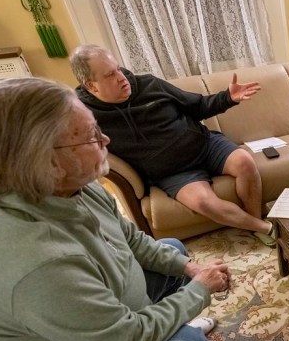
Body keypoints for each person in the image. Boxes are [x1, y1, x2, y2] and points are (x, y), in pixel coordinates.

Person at [0, 78, 269, 341]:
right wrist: (199, 290)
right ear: (48, 161)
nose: (106, 140)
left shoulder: (64, 185)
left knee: (172, 251)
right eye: (92, 136)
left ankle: (176, 324)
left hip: (82, 310)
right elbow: (130, 337)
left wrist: (189, 270)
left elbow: (130, 240)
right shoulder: (35, 261)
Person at [69, 44, 276, 247]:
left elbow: (197, 106)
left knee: (245, 162)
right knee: (204, 202)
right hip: (172, 172)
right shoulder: (85, 116)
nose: (121, 77)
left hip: (205, 145)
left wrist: (228, 98)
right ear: (91, 85)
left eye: (118, 69)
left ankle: (256, 222)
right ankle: (263, 227)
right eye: (110, 75)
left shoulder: (150, 84)